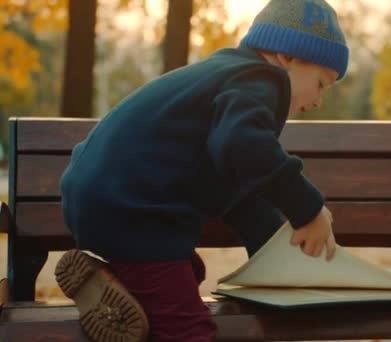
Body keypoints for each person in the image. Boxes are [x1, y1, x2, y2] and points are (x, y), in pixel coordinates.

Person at [54, 0, 349, 341]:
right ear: (288, 57)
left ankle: (112, 289)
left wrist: (272, 255)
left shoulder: (228, 77)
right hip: (133, 212)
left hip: (107, 199)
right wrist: (307, 208)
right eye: (322, 84)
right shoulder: (260, 81)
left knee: (186, 274)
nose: (317, 101)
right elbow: (247, 148)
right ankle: (128, 298)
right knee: (188, 329)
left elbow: (243, 188)